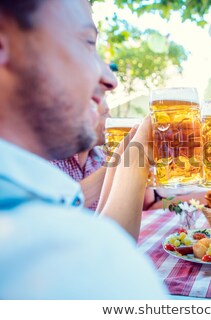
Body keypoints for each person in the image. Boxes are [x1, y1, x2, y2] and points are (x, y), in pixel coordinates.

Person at [0, 0, 167, 299]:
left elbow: (104, 237)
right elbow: (103, 262)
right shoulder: (75, 261)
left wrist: (135, 151)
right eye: (87, 43)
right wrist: (134, 154)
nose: (110, 80)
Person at [50, 96, 111, 211]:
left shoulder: (101, 157)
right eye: (106, 113)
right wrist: (115, 166)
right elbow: (57, 208)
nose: (111, 119)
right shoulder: (52, 157)